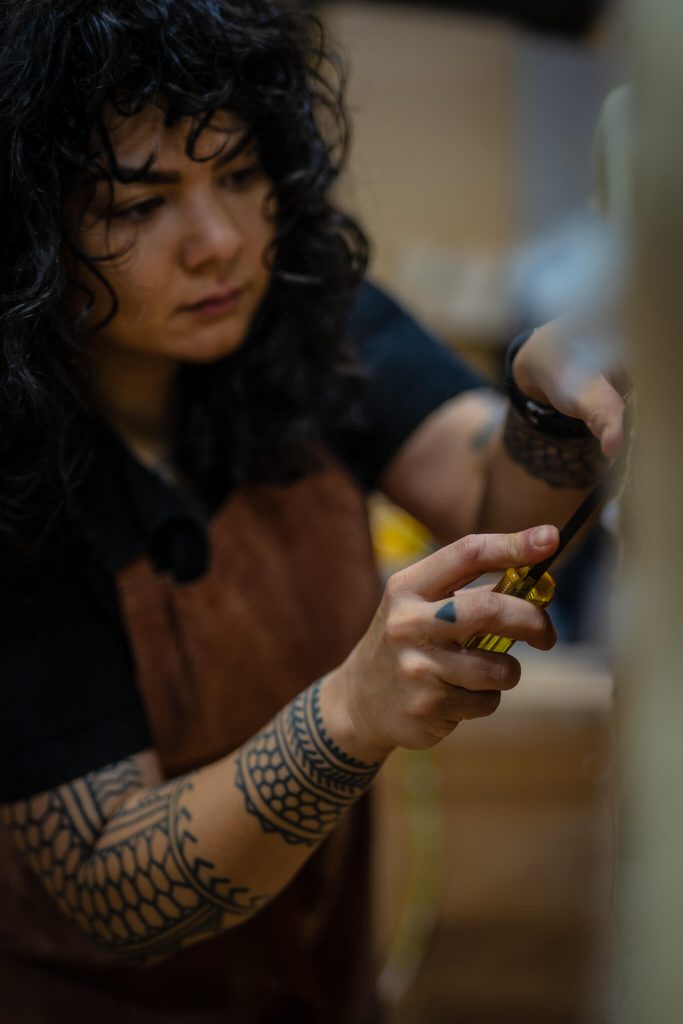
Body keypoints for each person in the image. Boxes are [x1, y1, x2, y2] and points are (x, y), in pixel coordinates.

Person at [0, 2, 625, 1021]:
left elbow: (487, 491)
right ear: (31, 222)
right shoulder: (21, 461)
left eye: (241, 176)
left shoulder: (296, 307)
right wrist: (346, 716)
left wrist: (548, 398)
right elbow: (112, 878)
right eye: (138, 203)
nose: (220, 242)